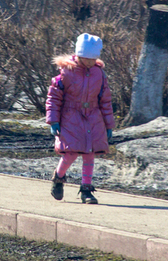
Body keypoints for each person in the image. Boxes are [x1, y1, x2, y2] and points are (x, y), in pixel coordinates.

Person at [45, 33, 116, 204]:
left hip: (93, 117)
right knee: (70, 153)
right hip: (70, 117)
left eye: (93, 58)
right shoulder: (66, 73)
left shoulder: (99, 74)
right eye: (86, 58)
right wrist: (53, 121)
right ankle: (58, 178)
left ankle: (86, 190)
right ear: (78, 54)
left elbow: (105, 100)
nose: (90, 62)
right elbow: (53, 98)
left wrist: (109, 125)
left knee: (89, 154)